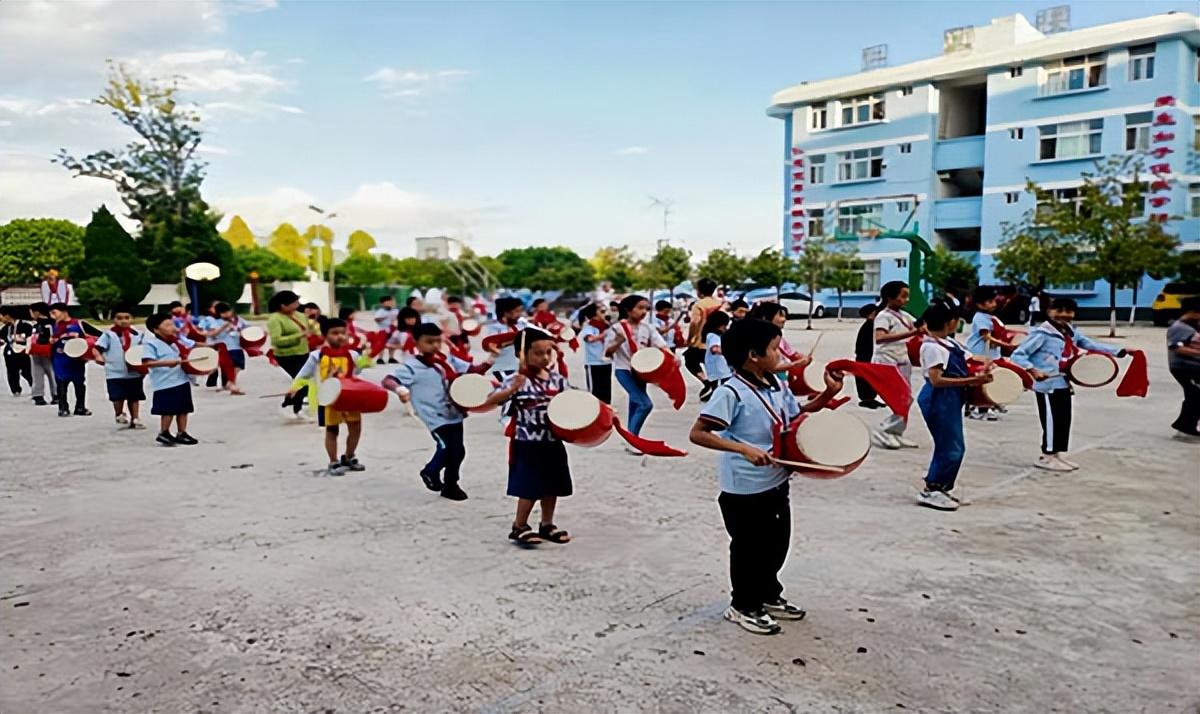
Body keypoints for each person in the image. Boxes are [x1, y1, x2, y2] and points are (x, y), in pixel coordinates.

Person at [688, 318, 844, 635]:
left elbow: (796, 415)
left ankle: (768, 594)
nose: (781, 353)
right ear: (753, 355)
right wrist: (742, 448)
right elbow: (699, 433)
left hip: (776, 479)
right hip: (744, 488)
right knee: (749, 549)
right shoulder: (731, 391)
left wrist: (828, 394)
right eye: (775, 348)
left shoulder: (776, 384)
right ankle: (743, 605)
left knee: (776, 544)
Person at [1010, 297, 1126, 472]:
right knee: (1050, 421)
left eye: (1068, 311)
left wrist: (1118, 351)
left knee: (1063, 420)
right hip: (1047, 385)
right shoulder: (1041, 334)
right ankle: (1046, 455)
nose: (1064, 315)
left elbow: (1089, 345)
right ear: (1049, 311)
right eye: (1059, 310)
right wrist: (1033, 370)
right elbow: (1019, 354)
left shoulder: (1070, 332)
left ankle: (1057, 454)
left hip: (1063, 382)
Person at [383, 323, 494, 500]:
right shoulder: (412, 367)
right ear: (417, 343)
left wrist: (491, 359)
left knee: (459, 451)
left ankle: (451, 485)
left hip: (454, 412)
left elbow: (473, 371)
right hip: (434, 415)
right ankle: (430, 471)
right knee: (446, 447)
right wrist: (400, 389)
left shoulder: (447, 360)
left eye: (437, 341)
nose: (434, 346)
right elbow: (389, 380)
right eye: (429, 342)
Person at [484, 329, 573, 546]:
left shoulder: (557, 379)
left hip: (552, 441)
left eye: (548, 352)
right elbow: (489, 401)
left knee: (553, 485)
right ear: (521, 354)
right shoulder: (516, 380)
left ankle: (546, 523)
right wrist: (510, 391)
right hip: (528, 442)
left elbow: (573, 400)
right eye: (537, 353)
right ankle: (519, 525)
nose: (544, 357)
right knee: (530, 487)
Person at [915, 302, 994, 511]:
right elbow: (936, 380)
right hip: (939, 397)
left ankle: (941, 486)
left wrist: (991, 363)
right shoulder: (932, 348)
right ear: (951, 323)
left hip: (951, 397)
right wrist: (970, 382)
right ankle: (933, 489)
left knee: (951, 446)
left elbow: (971, 357)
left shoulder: (949, 344)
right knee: (951, 447)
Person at [286, 318, 366, 476]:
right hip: (328, 398)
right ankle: (333, 460)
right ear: (324, 335)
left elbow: (357, 373)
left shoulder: (353, 354)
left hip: (349, 396)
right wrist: (294, 388)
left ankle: (349, 456)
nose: (340, 336)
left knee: (355, 427)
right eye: (335, 333)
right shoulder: (317, 355)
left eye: (343, 333)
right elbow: (304, 374)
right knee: (332, 430)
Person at [605, 294, 670, 444]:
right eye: (640, 308)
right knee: (644, 404)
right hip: (624, 370)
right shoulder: (617, 328)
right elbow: (607, 353)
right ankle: (632, 439)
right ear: (628, 310)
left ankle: (631, 436)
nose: (644, 312)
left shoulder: (648, 328)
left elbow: (661, 345)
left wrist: (672, 357)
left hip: (641, 372)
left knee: (635, 404)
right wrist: (618, 341)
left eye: (646, 308)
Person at [871, 281, 922, 449]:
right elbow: (879, 338)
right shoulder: (883, 316)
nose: (906, 300)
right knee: (900, 398)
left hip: (902, 360)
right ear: (889, 298)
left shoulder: (905, 316)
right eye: (903, 296)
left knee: (905, 398)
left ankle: (896, 432)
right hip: (888, 361)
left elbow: (919, 326)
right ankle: (885, 429)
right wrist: (911, 333)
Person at [141, 313, 198, 446]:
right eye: (167, 325)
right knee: (168, 410)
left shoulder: (176, 341)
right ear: (156, 329)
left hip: (181, 379)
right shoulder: (151, 344)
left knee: (183, 408)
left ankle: (182, 432)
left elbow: (191, 347)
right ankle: (164, 432)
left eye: (172, 324)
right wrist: (167, 363)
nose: (171, 327)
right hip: (165, 382)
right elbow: (147, 363)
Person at [965, 286, 1016, 421]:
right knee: (983, 381)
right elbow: (986, 337)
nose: (993, 304)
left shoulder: (990, 317)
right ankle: (980, 408)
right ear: (979, 304)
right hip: (981, 354)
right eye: (989, 302)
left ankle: (990, 403)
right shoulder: (980, 317)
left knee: (992, 379)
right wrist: (1008, 346)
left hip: (991, 354)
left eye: (993, 301)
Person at [91, 306, 147, 429]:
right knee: (117, 396)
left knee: (134, 396)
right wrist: (98, 356)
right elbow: (97, 348)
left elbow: (144, 350)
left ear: (132, 319)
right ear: (113, 320)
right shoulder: (108, 335)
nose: (123, 321)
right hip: (114, 371)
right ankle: (119, 413)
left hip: (134, 371)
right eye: (119, 318)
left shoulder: (139, 335)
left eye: (127, 318)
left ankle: (135, 418)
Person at [266, 290, 312, 418]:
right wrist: (299, 336)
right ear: (283, 305)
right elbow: (277, 340)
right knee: (302, 381)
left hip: (303, 352)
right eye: (294, 303)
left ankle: (291, 401)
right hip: (286, 355)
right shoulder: (275, 319)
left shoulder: (300, 315)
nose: (297, 305)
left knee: (305, 381)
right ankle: (297, 408)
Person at [1165, 295, 1200, 440]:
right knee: (1195, 396)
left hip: (1195, 367)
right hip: (1184, 368)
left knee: (1194, 396)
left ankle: (1186, 425)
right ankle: (1184, 426)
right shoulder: (1179, 327)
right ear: (1192, 312)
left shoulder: (1194, 325)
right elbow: (1176, 347)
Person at [48, 303, 92, 417]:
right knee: (62, 383)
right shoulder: (53, 326)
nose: (53, 316)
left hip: (76, 359)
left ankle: (80, 407)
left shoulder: (79, 324)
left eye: (54, 312)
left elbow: (98, 335)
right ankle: (63, 408)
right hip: (60, 359)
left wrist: (84, 343)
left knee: (79, 383)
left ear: (64, 311)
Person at [684, 278, 724, 400]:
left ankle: (706, 382)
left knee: (690, 360)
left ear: (699, 291)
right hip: (718, 340)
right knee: (712, 364)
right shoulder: (720, 303)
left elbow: (695, 322)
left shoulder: (699, 305)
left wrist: (690, 338)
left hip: (701, 341)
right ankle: (714, 388)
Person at [205, 302, 247, 395]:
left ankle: (230, 384)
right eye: (224, 312)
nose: (227, 314)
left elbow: (248, 327)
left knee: (239, 366)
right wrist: (223, 327)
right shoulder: (216, 322)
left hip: (238, 346)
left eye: (228, 311)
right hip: (226, 348)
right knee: (231, 367)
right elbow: (211, 334)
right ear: (219, 314)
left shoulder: (237, 320)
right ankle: (231, 385)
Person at [484, 296, 527, 379]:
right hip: (502, 367)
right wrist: (513, 340)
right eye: (516, 311)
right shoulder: (495, 327)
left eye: (520, 311)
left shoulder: (520, 325)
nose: (520, 314)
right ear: (506, 312)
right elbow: (492, 345)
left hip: (517, 366)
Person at [578, 303, 612, 404]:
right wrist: (602, 335)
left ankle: (606, 408)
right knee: (595, 389)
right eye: (602, 312)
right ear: (593, 315)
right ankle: (595, 411)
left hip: (606, 361)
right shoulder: (590, 327)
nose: (604, 314)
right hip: (593, 363)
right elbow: (589, 339)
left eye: (605, 312)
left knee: (606, 387)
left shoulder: (606, 326)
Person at [854, 303, 885, 409]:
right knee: (864, 378)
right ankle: (866, 399)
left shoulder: (871, 324)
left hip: (868, 355)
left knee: (870, 377)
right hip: (865, 356)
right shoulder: (869, 325)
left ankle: (871, 398)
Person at [26, 302, 56, 406]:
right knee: (47, 373)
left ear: (37, 312)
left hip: (47, 351)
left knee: (44, 373)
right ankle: (52, 395)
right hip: (37, 352)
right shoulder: (48, 323)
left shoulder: (48, 324)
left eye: (31, 312)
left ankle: (40, 395)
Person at [0, 306, 33, 397]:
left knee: (27, 371)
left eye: (1, 316)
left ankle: (34, 386)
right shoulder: (5, 328)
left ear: (7, 315)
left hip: (23, 352)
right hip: (10, 353)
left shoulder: (25, 326)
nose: (1, 318)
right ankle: (15, 389)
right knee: (11, 372)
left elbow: (30, 338)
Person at [703, 310, 733, 387]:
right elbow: (714, 349)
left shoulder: (714, 335)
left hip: (720, 369)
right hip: (719, 370)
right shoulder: (713, 335)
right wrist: (729, 352)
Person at [374, 295, 401, 364]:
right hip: (383, 330)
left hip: (392, 330)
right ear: (382, 303)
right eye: (387, 302)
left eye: (391, 301)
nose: (390, 303)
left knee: (392, 343)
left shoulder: (395, 310)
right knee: (382, 344)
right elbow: (377, 319)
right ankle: (380, 358)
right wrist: (385, 317)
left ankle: (391, 357)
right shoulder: (380, 311)